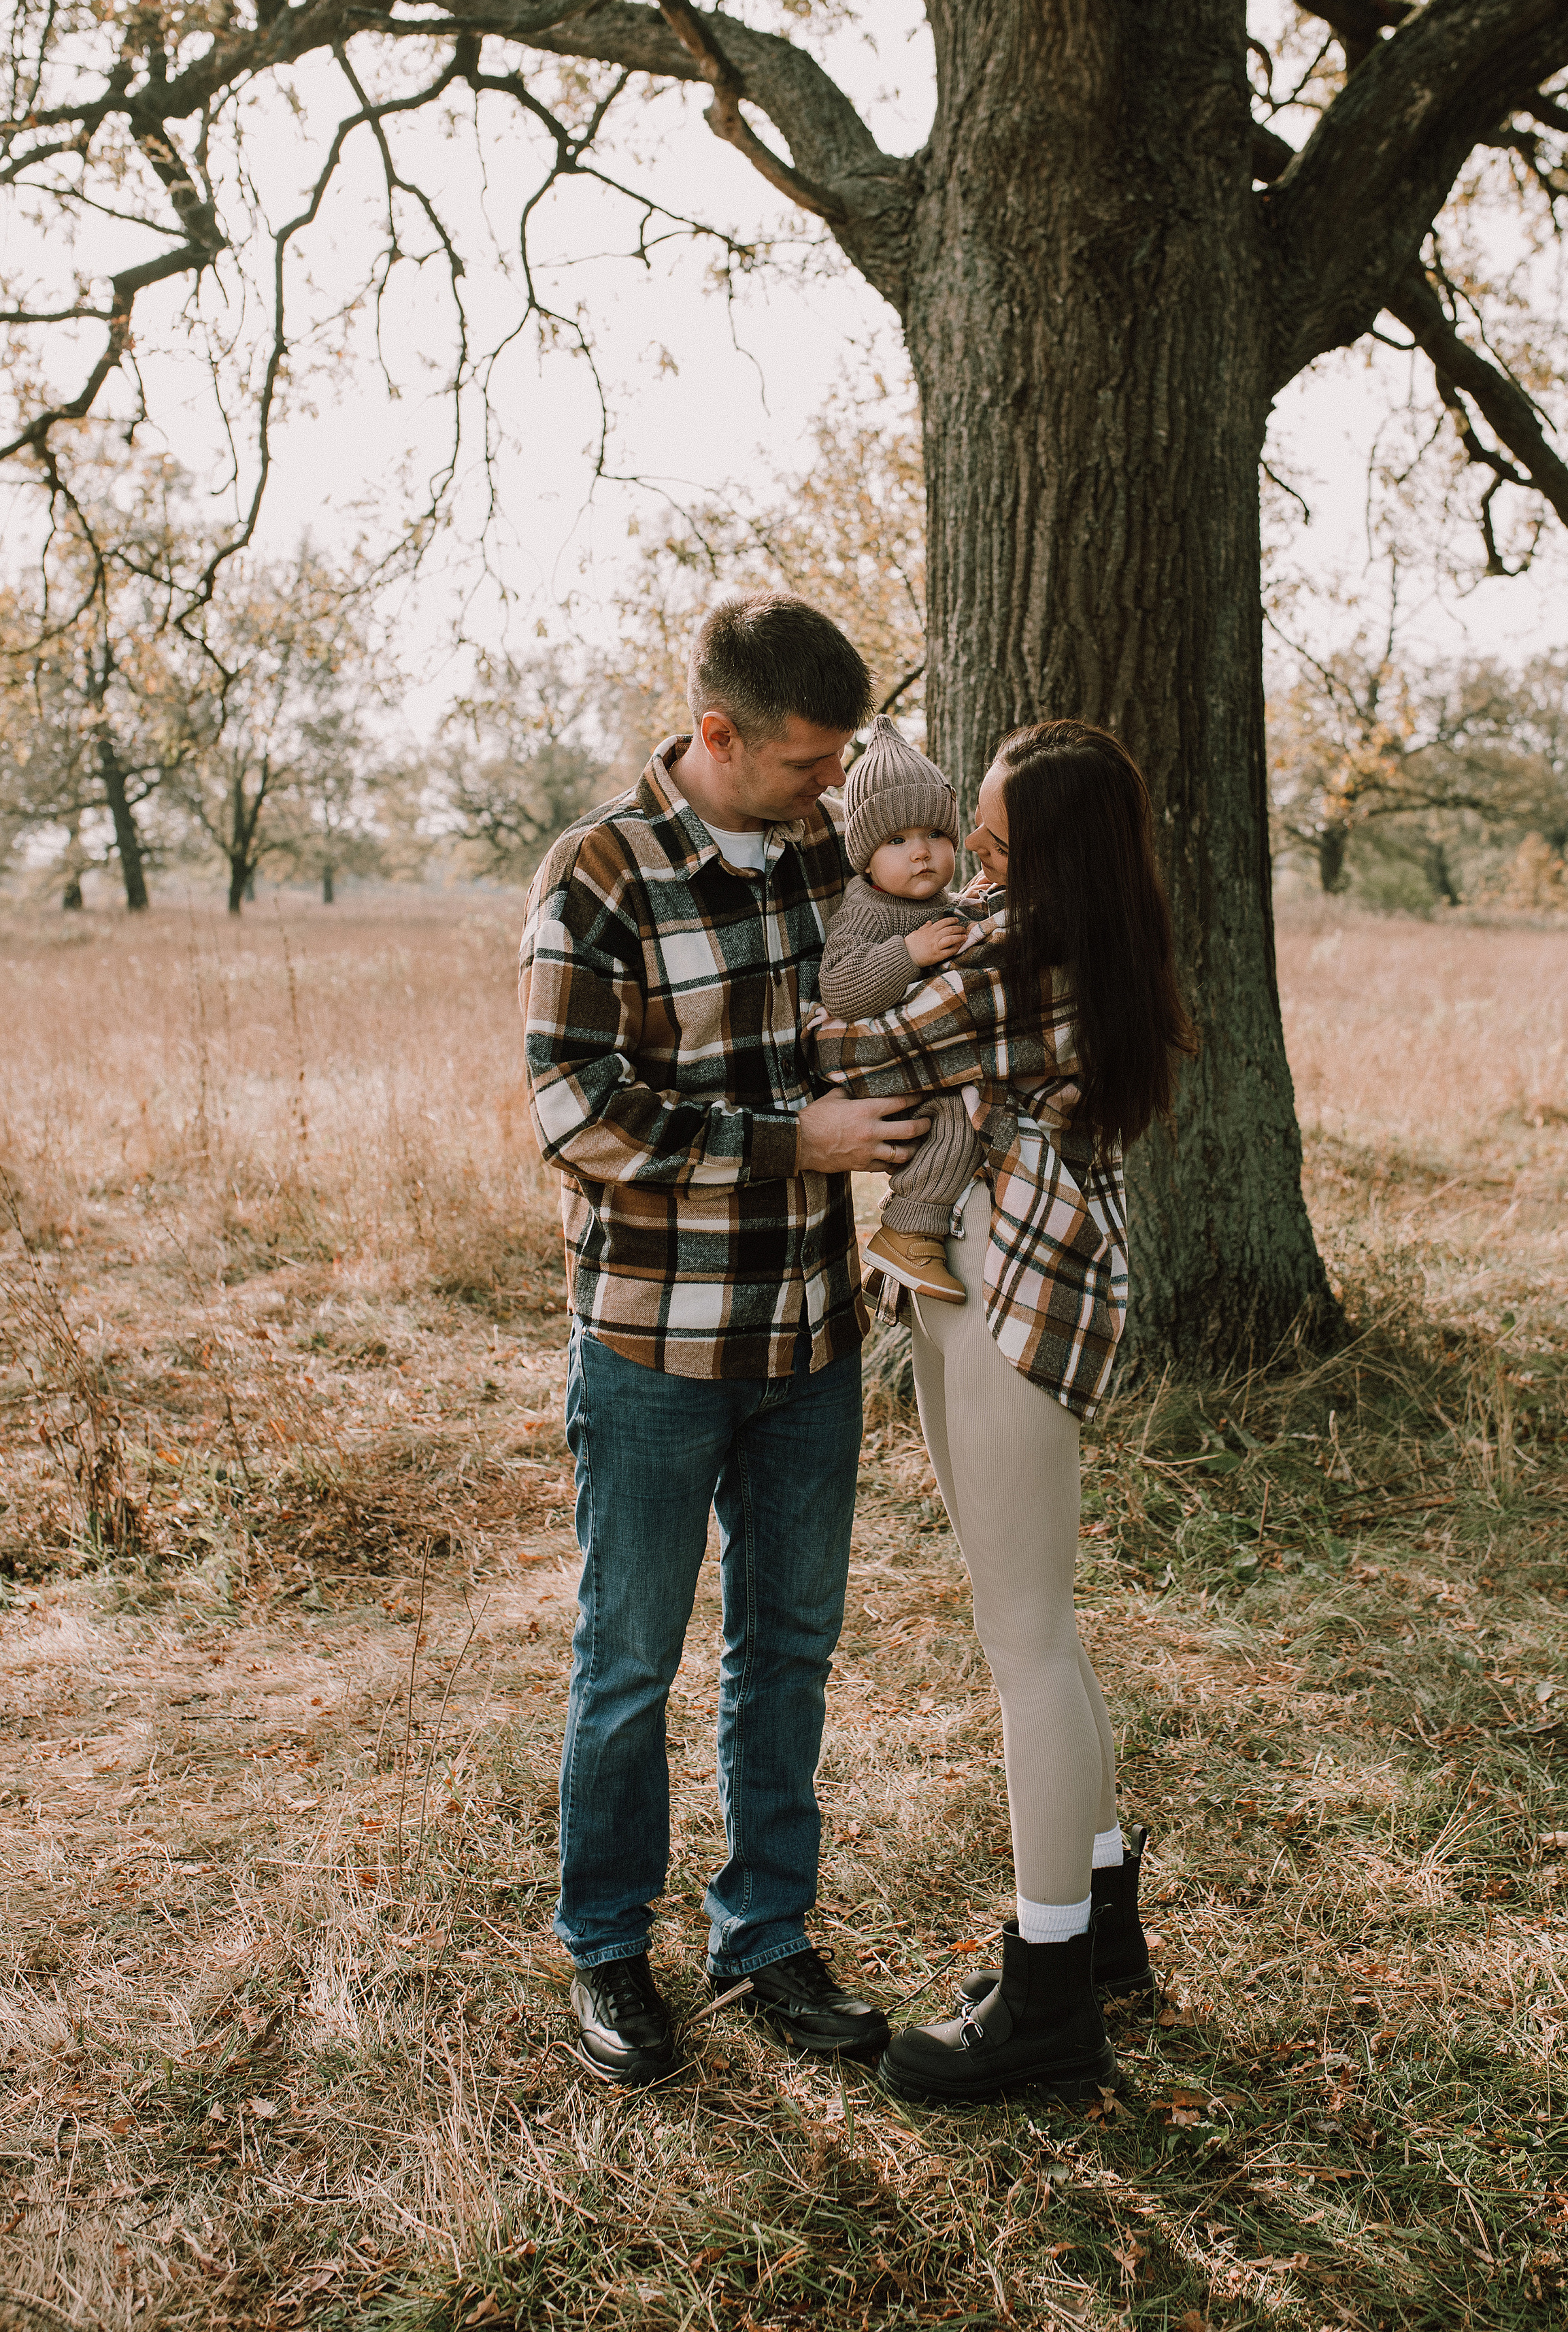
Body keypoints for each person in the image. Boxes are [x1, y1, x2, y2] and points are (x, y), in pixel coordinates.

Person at [519, 594, 932, 2088]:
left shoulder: (837, 858)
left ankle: (765, 1938)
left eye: (843, 761)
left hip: (811, 1337)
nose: (834, 787)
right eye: (807, 763)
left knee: (788, 1652)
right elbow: (577, 1113)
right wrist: (786, 1142)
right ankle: (609, 1951)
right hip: (651, 1345)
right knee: (628, 1657)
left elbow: (903, 999)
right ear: (716, 736)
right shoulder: (599, 876)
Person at [808, 720, 1197, 2106]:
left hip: (1007, 1281)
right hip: (989, 1272)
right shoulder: (1064, 929)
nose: (964, 859)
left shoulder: (1019, 956)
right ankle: (1094, 1936)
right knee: (1037, 1625)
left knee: (1022, 1638)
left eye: (988, 838)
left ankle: (1043, 2003)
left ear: (1042, 857)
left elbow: (855, 1045)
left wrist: (828, 970)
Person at [817, 714, 978, 1304]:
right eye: (897, 840)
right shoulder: (868, 911)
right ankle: (907, 1229)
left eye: (935, 835)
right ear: (865, 856)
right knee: (957, 1121)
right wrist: (908, 953)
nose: (921, 854)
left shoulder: (943, 901)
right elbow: (841, 988)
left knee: (969, 1116)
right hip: (880, 1063)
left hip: (926, 1049)